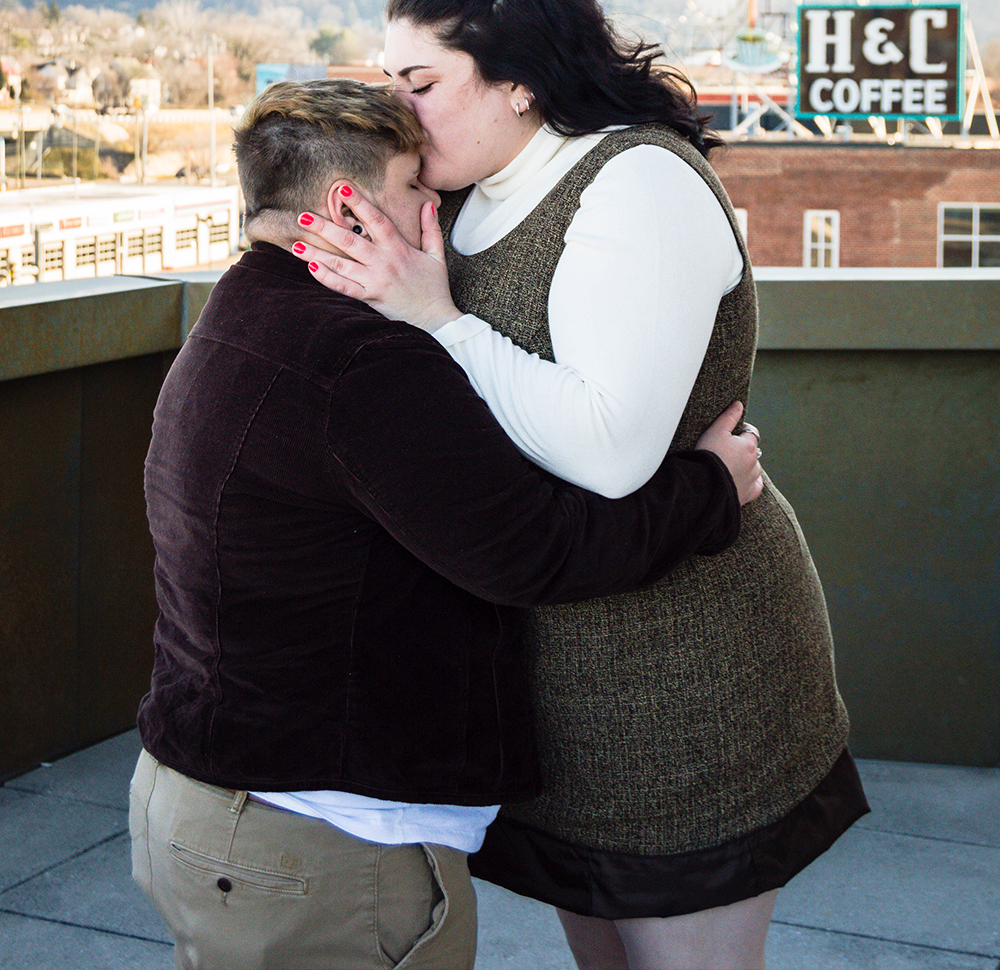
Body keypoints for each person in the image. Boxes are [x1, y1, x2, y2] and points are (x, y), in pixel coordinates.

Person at [293, 0, 870, 970]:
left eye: (421, 84)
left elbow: (607, 450)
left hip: (682, 666)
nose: (397, 108)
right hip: (542, 672)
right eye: (389, 81)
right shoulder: (463, 195)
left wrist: (437, 319)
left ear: (517, 79)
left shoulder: (634, 180)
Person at [130, 78, 763, 970]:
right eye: (418, 188)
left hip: (209, 806)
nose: (439, 210)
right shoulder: (360, 359)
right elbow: (533, 551)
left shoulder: (240, 311)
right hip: (322, 845)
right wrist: (708, 487)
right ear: (349, 204)